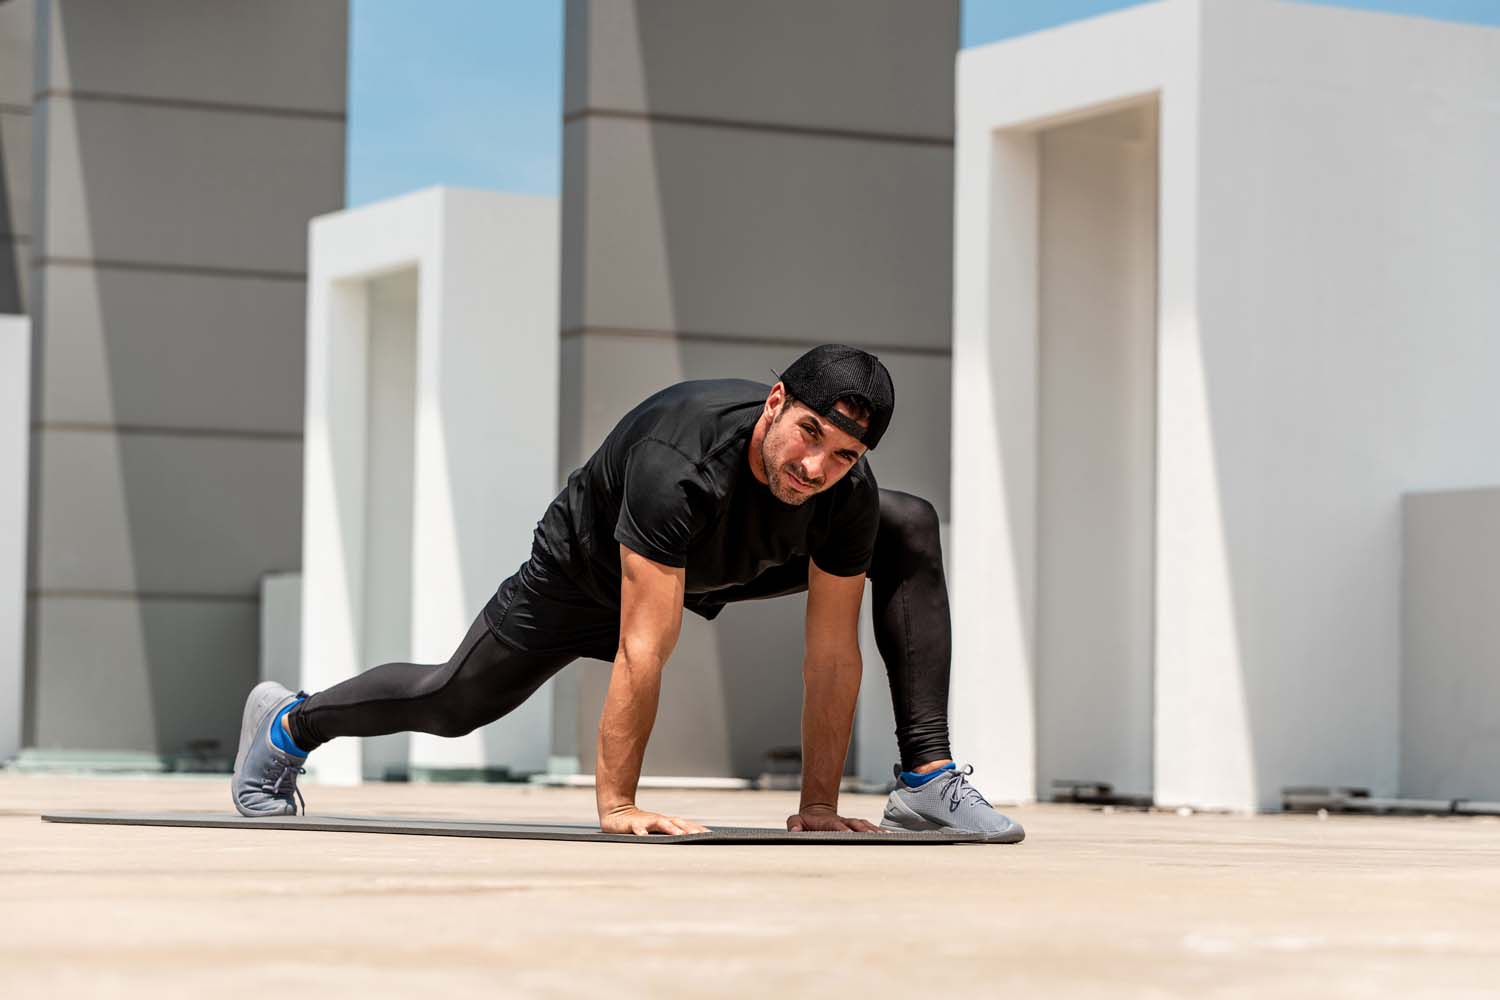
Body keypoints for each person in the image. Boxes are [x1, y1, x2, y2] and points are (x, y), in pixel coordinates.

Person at [231, 344, 1023, 842]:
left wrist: (818, 807)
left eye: (843, 455)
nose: (816, 467)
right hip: (586, 574)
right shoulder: (677, 457)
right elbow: (644, 646)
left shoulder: (840, 495)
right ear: (776, 402)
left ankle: (924, 781)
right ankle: (291, 724)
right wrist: (619, 806)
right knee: (453, 703)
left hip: (729, 557)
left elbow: (830, 657)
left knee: (907, 523)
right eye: (809, 433)